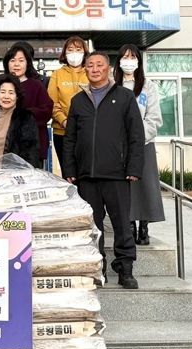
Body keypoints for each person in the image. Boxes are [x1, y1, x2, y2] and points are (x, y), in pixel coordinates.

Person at [62, 51, 144, 289]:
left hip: (117, 173)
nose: (95, 69)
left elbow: (136, 135)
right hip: (87, 175)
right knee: (92, 226)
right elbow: (70, 139)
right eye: (90, 65)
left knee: (122, 223)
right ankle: (98, 267)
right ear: (85, 70)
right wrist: (70, 169)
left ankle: (125, 267)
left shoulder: (125, 97)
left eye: (99, 65)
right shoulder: (78, 100)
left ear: (108, 68)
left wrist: (134, 167)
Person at [114, 44, 165, 246]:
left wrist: (137, 136)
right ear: (118, 61)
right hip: (119, 146)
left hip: (144, 143)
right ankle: (129, 224)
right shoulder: (113, 85)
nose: (129, 61)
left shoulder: (148, 86)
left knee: (145, 186)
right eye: (125, 57)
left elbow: (154, 118)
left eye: (133, 57)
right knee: (125, 187)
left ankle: (144, 225)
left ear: (139, 61)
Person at [0, 44, 53, 168]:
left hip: (31, 146)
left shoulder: (36, 85)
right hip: (0, 144)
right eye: (12, 60)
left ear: (28, 64)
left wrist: (23, 116)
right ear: (7, 63)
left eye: (21, 60)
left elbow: (46, 111)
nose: (16, 64)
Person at [48, 36, 89, 170]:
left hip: (87, 131)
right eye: (70, 50)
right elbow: (52, 103)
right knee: (68, 172)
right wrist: (65, 121)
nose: (74, 53)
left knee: (86, 171)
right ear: (65, 53)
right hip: (62, 133)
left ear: (84, 52)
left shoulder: (91, 72)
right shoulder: (57, 74)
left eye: (78, 49)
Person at [0, 74, 39, 167]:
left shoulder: (25, 118)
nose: (6, 96)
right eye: (3, 92)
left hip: (14, 173)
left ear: (17, 96)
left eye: (11, 93)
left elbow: (31, 152)